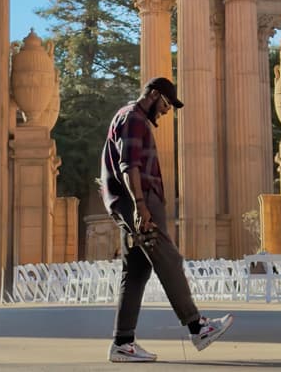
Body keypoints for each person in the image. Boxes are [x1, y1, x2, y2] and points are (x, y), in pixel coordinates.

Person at [100, 76, 234, 363]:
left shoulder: (126, 116)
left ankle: (123, 343)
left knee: (136, 270)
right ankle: (198, 327)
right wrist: (140, 206)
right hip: (138, 201)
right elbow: (129, 165)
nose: (166, 110)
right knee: (168, 258)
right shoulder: (134, 118)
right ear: (154, 94)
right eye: (166, 103)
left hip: (129, 202)